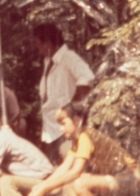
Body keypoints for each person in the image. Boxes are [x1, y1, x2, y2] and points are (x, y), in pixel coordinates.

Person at [27, 102, 140, 196]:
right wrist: (42, 186)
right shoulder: (77, 139)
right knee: (67, 185)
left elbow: (75, 172)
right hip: (113, 178)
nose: (60, 128)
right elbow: (64, 168)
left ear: (76, 120)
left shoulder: (86, 137)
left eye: (63, 123)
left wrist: (45, 189)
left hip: (129, 178)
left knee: (80, 183)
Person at [33, 23, 94, 163]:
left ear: (48, 43)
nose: (38, 50)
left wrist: (73, 109)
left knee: (69, 167)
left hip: (66, 127)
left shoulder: (69, 58)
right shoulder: (48, 61)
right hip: (50, 128)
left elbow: (87, 77)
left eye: (39, 45)